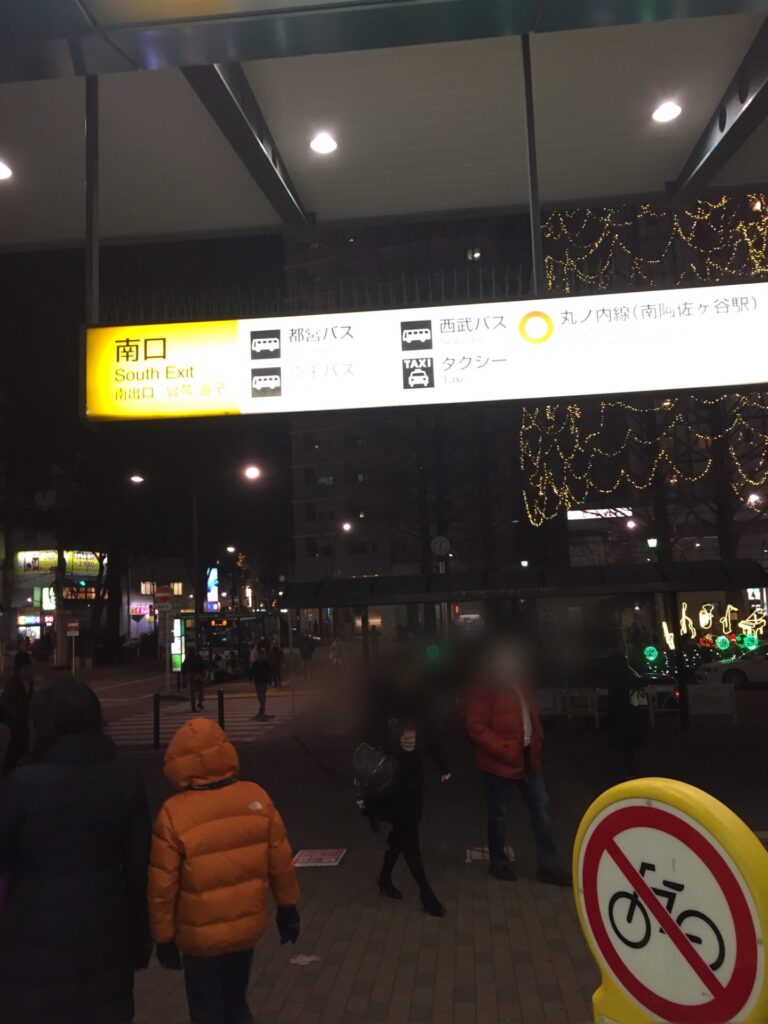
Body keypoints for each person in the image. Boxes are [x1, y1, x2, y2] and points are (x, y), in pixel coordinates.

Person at [0, 679, 151, 1024]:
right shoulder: (125, 778)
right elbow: (138, 867)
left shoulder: (22, 784)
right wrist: (140, 937)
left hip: (31, 936)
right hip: (106, 931)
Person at [149, 718, 301, 1024]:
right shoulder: (256, 797)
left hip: (199, 936)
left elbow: (161, 885)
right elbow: (281, 861)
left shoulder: (173, 813)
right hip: (245, 928)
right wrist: (288, 908)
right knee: (235, 1001)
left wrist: (163, 937)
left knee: (206, 1010)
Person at [466, 637, 570, 886]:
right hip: (500, 760)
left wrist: (536, 739)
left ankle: (548, 865)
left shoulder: (522, 683)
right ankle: (498, 862)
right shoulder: (488, 685)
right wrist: (503, 749)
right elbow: (475, 725)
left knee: (541, 809)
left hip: (526, 756)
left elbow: (530, 716)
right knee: (499, 814)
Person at [362, 659, 451, 917]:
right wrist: (395, 742)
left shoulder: (418, 707)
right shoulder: (381, 708)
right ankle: (426, 893)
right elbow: (369, 743)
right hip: (391, 783)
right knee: (409, 836)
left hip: (413, 780)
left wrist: (443, 766)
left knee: (402, 833)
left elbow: (431, 735)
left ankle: (384, 878)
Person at [604, 651, 642, 780]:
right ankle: (630, 771)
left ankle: (625, 770)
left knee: (621, 744)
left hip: (617, 713)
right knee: (628, 746)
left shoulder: (612, 678)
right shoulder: (629, 675)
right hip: (629, 713)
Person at [0, 657, 33, 773]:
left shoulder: (30, 682)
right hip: (13, 726)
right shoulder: (12, 685)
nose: (28, 670)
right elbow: (6, 707)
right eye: (26, 667)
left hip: (24, 725)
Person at [250, 642, 271, 720]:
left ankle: (262, 707)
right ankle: (262, 706)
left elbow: (268, 672)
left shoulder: (265, 663)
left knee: (262, 694)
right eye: (259, 655)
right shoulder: (255, 663)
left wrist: (269, 680)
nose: (260, 656)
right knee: (259, 695)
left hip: (263, 681)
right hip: (257, 680)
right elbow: (252, 671)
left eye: (262, 654)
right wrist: (251, 678)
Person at [183, 645, 207, 711]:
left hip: (192, 675)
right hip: (198, 674)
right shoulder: (197, 657)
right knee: (200, 689)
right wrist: (203, 672)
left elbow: (184, 666)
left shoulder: (188, 658)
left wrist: (185, 675)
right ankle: (199, 702)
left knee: (193, 691)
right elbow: (202, 665)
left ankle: (193, 705)